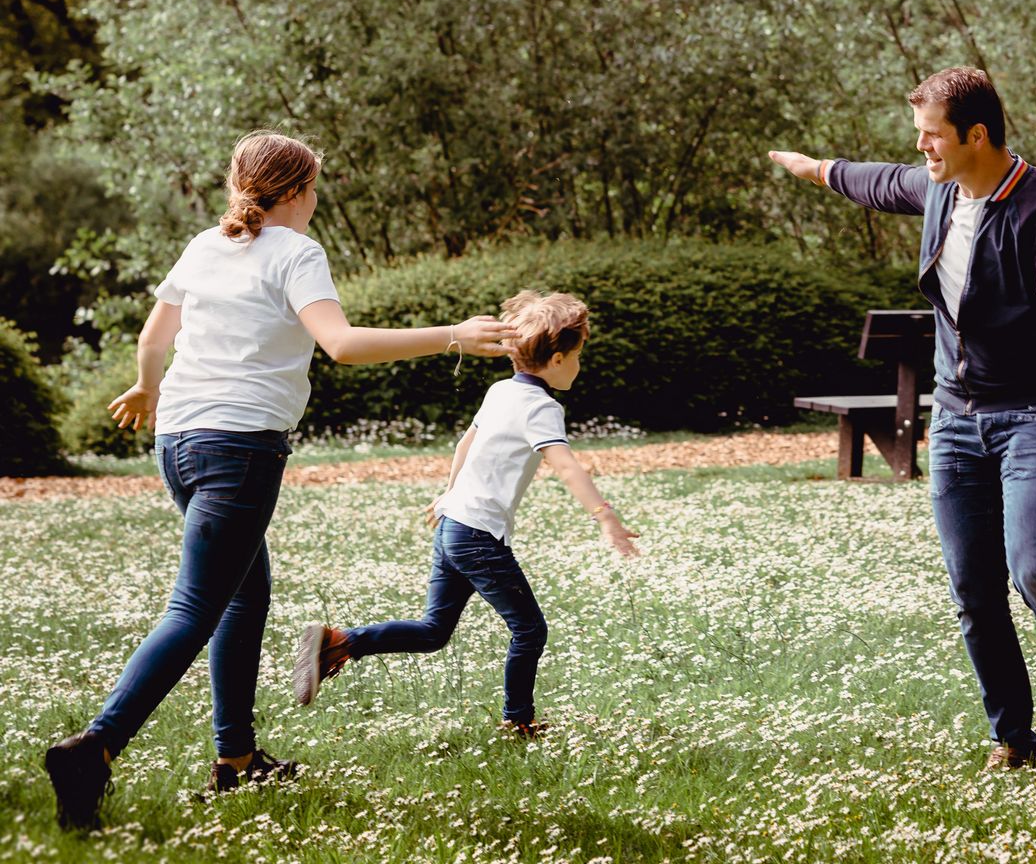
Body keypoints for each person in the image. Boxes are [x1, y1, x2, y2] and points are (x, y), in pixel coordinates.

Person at [44, 131, 515, 831]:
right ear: (296, 191)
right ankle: (97, 746)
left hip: (178, 442)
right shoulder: (298, 252)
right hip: (238, 450)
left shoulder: (208, 244)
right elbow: (343, 345)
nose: (317, 199)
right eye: (316, 186)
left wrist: (146, 391)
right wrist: (451, 333)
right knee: (195, 609)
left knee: (243, 595)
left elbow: (153, 338)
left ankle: (235, 762)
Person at [768, 66, 1036, 779]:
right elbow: (872, 181)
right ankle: (1014, 739)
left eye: (931, 137)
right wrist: (811, 168)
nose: (921, 150)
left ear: (976, 135)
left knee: (1034, 566)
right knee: (973, 588)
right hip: (959, 418)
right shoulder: (937, 188)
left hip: (1035, 414)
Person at [290, 290, 637, 730]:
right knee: (530, 630)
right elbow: (565, 466)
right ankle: (519, 722)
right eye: (577, 356)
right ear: (555, 358)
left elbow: (464, 444)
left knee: (434, 630)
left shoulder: (500, 391)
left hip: (454, 524)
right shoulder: (542, 407)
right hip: (477, 536)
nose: (578, 366)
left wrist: (448, 493)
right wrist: (605, 516)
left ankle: (338, 642)